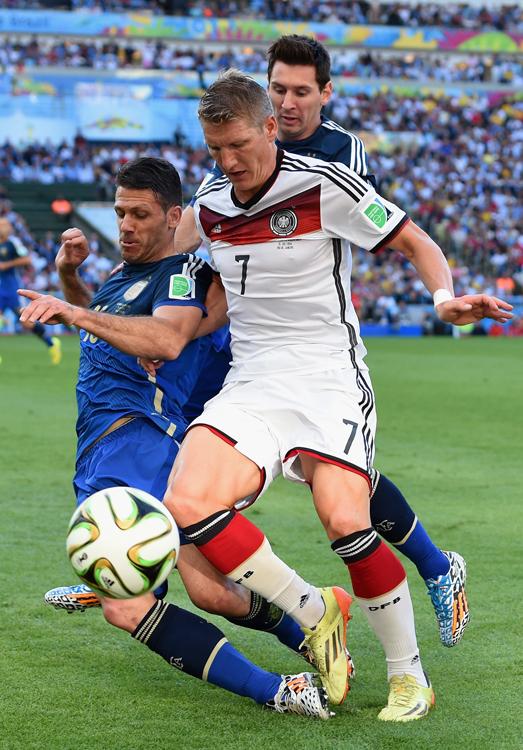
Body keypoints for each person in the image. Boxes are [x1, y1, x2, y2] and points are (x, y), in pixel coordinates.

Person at [157, 69, 512, 721]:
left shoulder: (322, 185)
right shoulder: (209, 207)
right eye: (214, 150)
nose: (228, 161)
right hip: (253, 382)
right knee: (188, 501)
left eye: (237, 144)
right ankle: (315, 611)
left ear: (269, 127)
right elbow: (198, 305)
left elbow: (412, 240)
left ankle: (409, 678)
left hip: (327, 378)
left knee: (346, 521)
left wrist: (443, 299)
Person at [18, 157, 331, 720]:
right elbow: (104, 319)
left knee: (130, 607)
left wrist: (70, 311)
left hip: (136, 443)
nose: (126, 226)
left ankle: (282, 686)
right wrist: (69, 278)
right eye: (120, 213)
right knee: (211, 594)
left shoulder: (182, 276)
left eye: (140, 214)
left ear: (174, 217)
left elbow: (164, 339)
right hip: (105, 448)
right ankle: (312, 637)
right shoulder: (123, 275)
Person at [0, 217, 61, 364]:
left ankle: (51, 343)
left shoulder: (13, 242)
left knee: (26, 322)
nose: (2, 227)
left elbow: (27, 259)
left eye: (4, 225)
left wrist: (7, 264)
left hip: (12, 287)